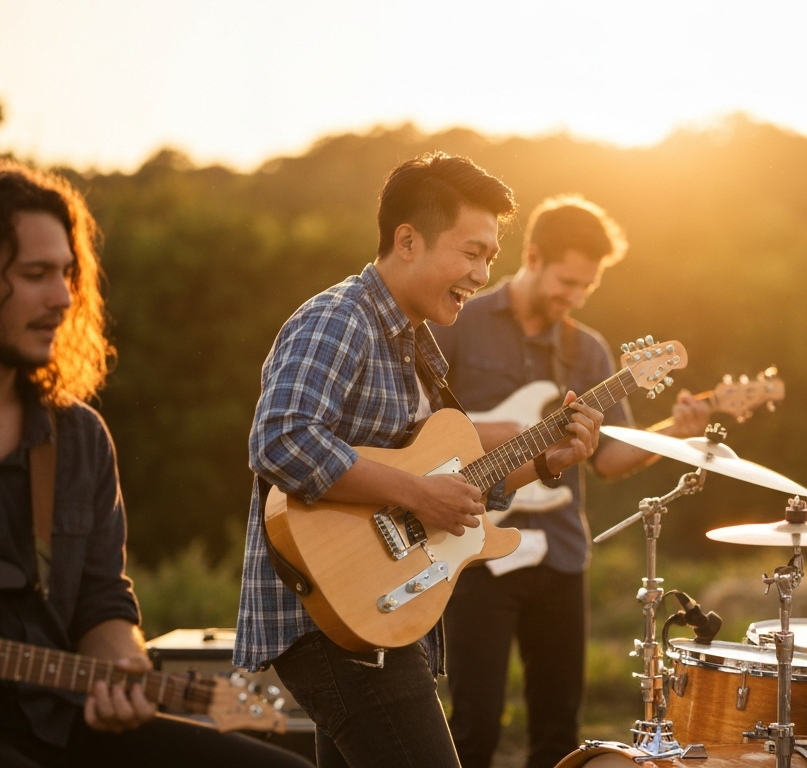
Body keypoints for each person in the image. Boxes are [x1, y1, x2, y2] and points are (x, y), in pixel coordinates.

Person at [233, 153, 605, 768]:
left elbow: (450, 488)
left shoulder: (415, 345)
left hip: (376, 615)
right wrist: (414, 493)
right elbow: (281, 440)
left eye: (490, 257)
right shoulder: (339, 318)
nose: (484, 273)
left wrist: (545, 463)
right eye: (472, 252)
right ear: (407, 240)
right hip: (326, 618)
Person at [0, 160, 309, 767]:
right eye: (34, 274)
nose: (62, 297)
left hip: (60, 720)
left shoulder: (77, 438)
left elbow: (102, 600)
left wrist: (120, 666)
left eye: (66, 273)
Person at [430, 195, 710, 768]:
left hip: (560, 552)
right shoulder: (460, 320)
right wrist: (490, 431)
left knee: (559, 734)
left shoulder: (589, 350)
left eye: (588, 287)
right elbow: (416, 423)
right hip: (473, 547)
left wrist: (672, 435)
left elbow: (607, 461)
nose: (575, 297)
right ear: (532, 256)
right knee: (472, 728)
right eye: (567, 281)